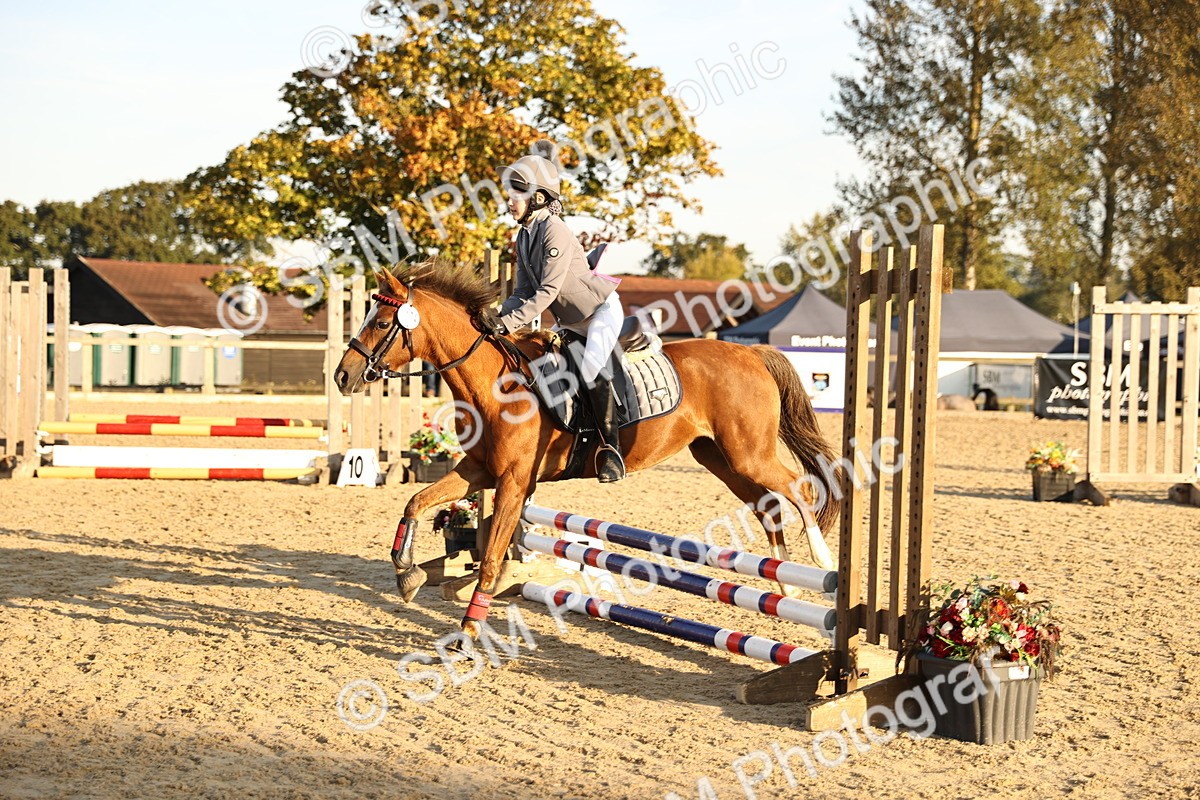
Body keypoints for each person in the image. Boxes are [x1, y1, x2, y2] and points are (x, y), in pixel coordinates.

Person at [477, 140, 626, 483]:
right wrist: (498, 316)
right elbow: (524, 292)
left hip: (600, 312)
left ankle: (611, 452)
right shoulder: (525, 236)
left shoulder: (553, 230)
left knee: (590, 368)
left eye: (517, 192)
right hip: (572, 321)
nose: (509, 199)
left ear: (539, 197)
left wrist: (506, 324)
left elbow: (547, 292)